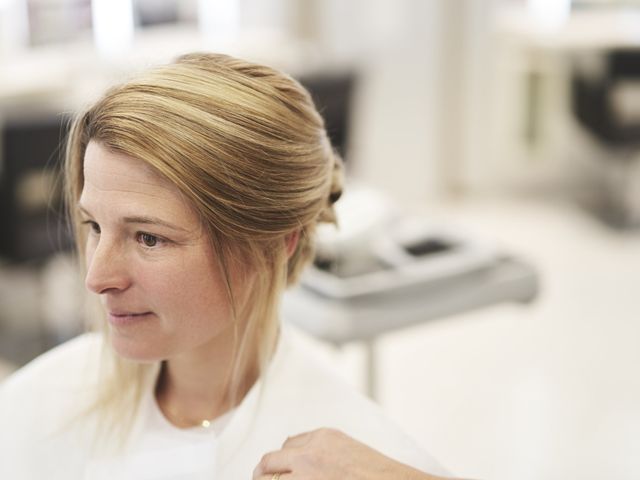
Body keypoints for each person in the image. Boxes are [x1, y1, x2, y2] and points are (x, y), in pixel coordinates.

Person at [0, 52, 449, 479]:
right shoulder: (35, 404)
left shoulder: (361, 450)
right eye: (94, 225)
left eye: (148, 237)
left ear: (275, 244)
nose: (96, 278)